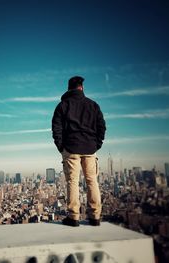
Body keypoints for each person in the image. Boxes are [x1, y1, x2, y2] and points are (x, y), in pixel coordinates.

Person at [52, 76, 106, 227]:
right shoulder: (93, 105)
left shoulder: (62, 106)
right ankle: (95, 217)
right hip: (90, 149)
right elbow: (101, 126)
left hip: (71, 149)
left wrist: (61, 147)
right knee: (92, 181)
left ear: (69, 89)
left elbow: (56, 128)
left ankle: (73, 217)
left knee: (72, 182)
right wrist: (97, 144)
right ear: (81, 88)